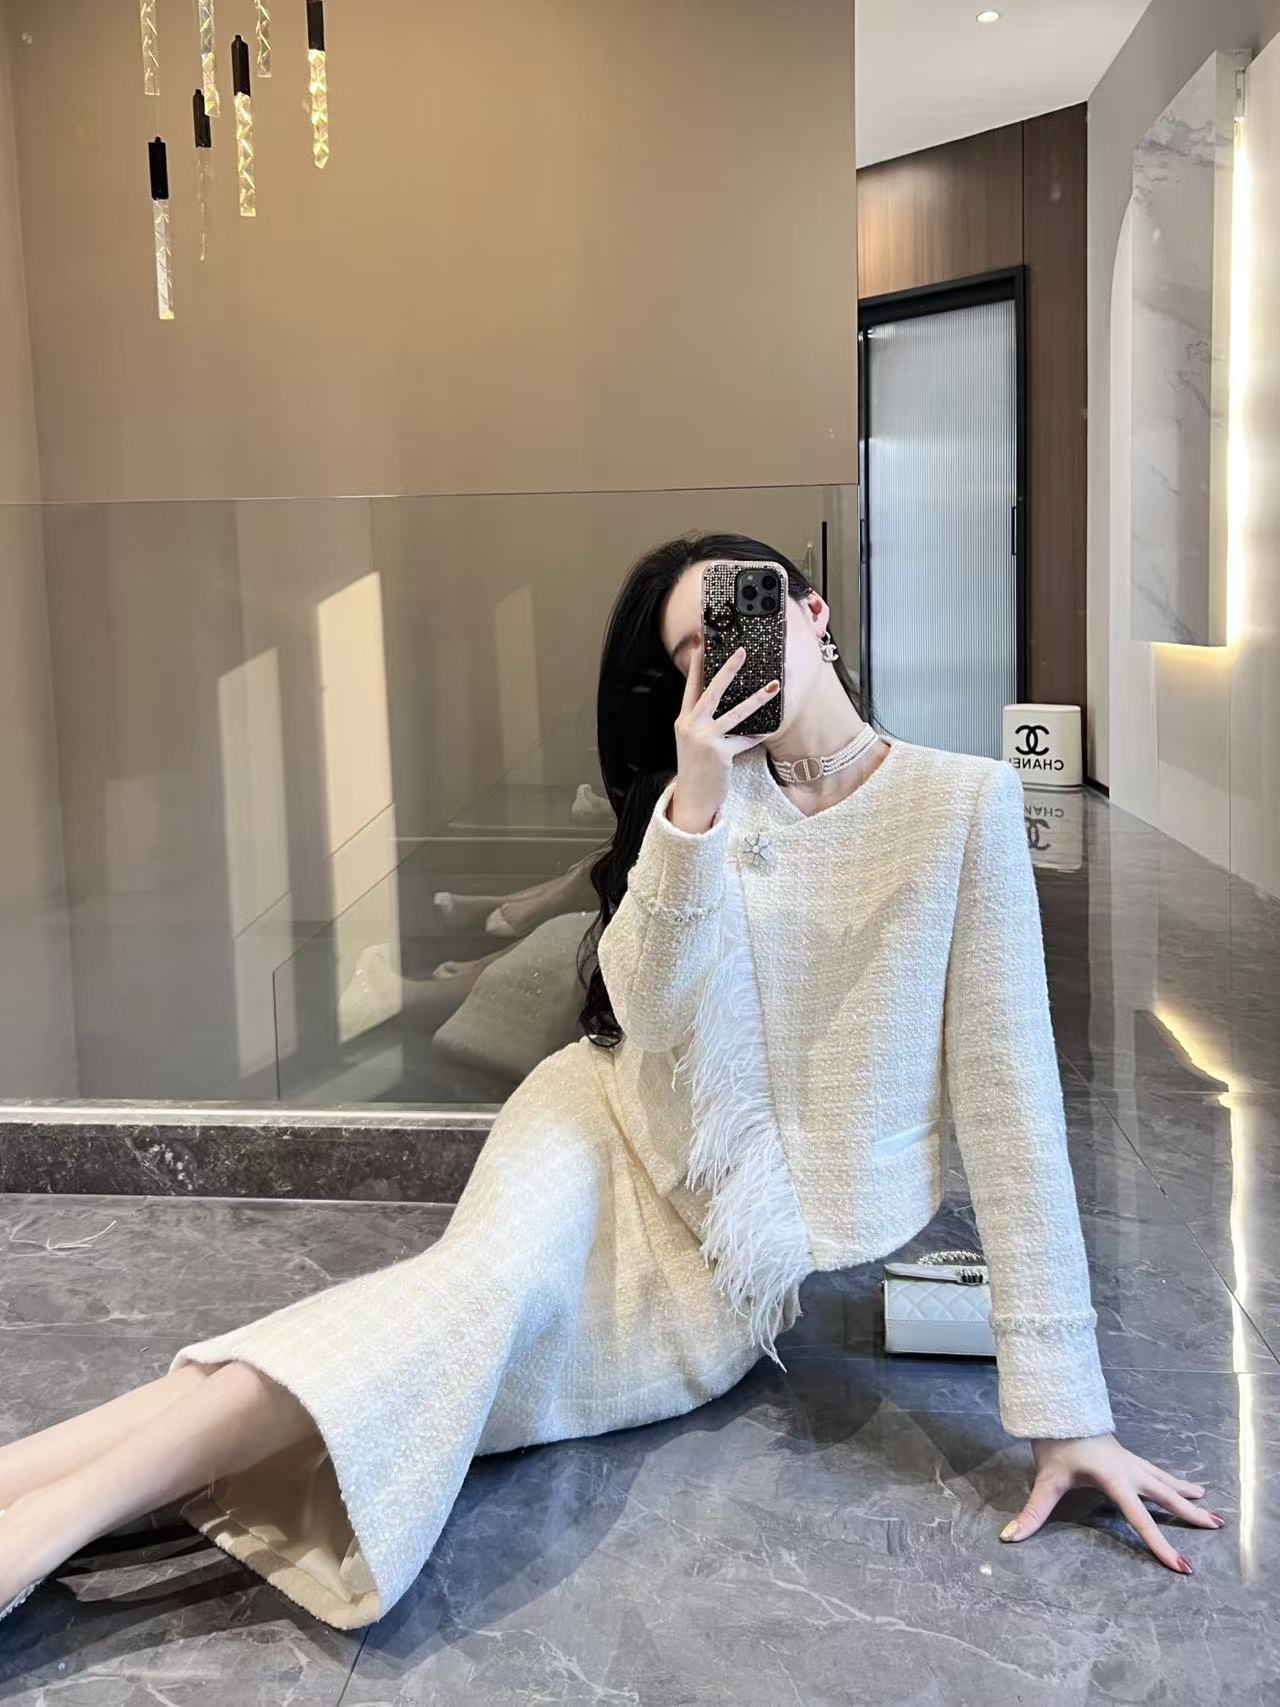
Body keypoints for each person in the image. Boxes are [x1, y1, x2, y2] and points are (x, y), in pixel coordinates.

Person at [0, 532, 1225, 1632]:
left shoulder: (961, 803)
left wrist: (1067, 1414)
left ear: (810, 614)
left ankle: (34, 1477)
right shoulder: (699, 802)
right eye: (691, 651)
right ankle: (42, 1525)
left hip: (723, 1252)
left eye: (739, 619)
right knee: (471, 1293)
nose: (719, 659)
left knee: (458, 1356)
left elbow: (1011, 1104)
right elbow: (642, 1007)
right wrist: (693, 801)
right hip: (598, 1119)